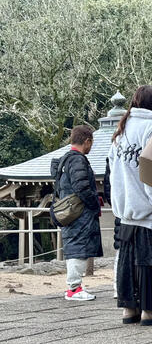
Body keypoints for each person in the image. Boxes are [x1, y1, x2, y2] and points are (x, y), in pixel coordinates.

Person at [108, 85, 152, 325]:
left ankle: (129, 309)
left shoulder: (122, 129)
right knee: (148, 262)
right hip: (147, 209)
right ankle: (150, 311)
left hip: (125, 211)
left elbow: (113, 172)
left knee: (127, 261)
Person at [50, 125, 103, 301]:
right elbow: (82, 186)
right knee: (78, 249)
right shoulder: (78, 160)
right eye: (91, 143)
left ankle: (75, 286)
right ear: (87, 141)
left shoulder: (65, 159)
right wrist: (95, 203)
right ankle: (74, 288)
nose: (91, 147)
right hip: (80, 212)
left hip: (71, 212)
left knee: (75, 246)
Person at [103, 157, 121, 299]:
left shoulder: (113, 155)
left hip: (120, 210)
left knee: (120, 251)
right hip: (126, 210)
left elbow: (108, 187)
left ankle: (118, 287)